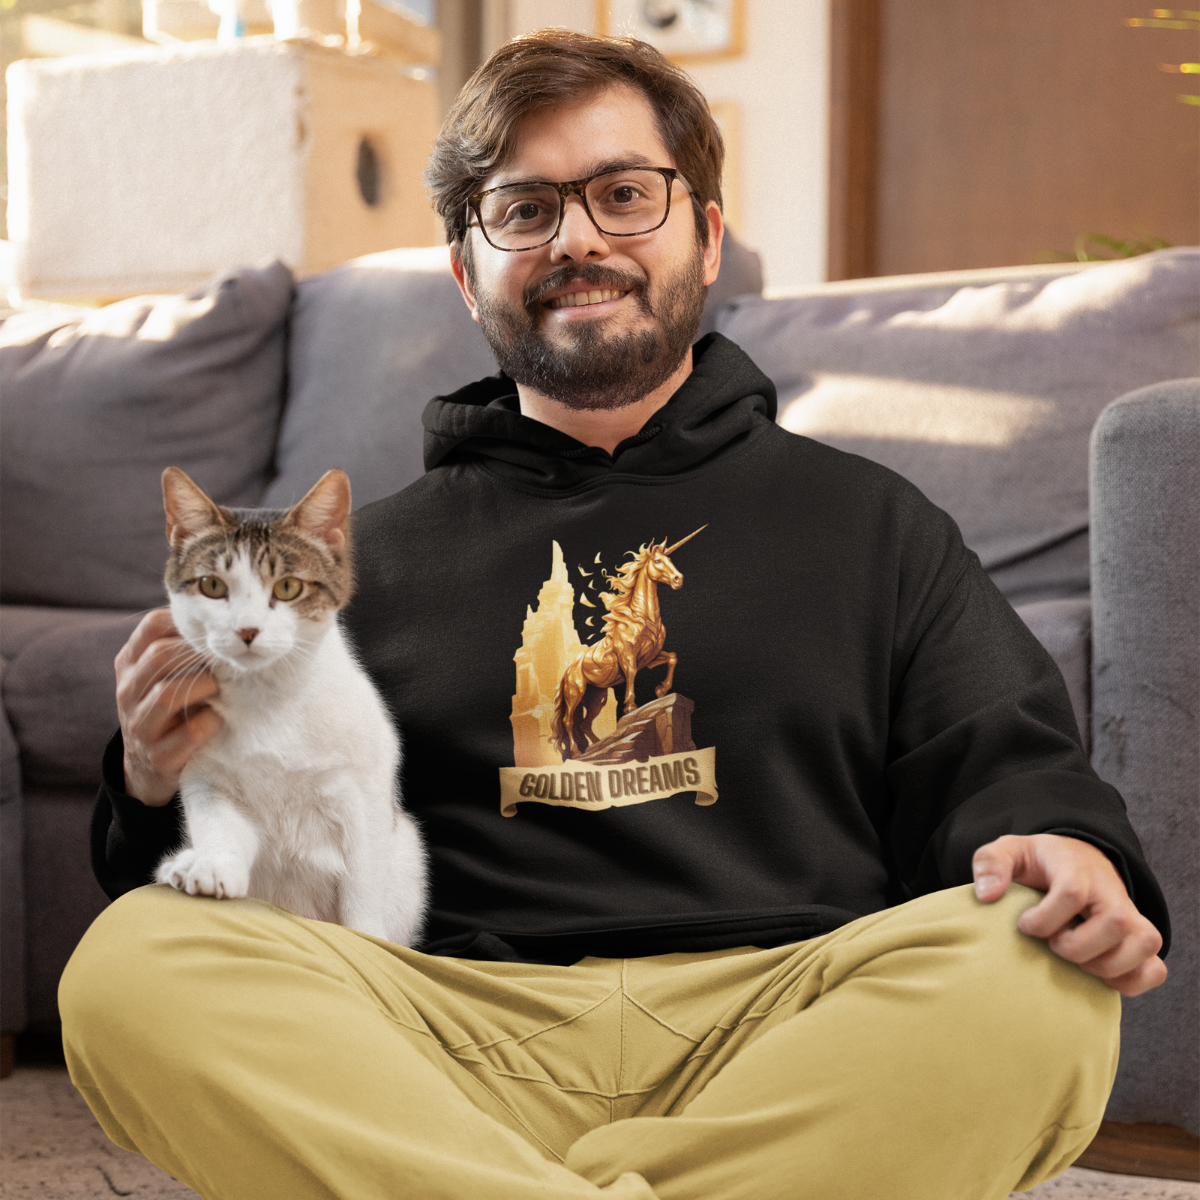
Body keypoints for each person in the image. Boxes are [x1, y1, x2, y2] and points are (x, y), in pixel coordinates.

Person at [61, 30, 1168, 1200]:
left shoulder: (871, 523)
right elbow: (221, 847)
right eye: (524, 209)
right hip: (449, 1041)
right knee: (135, 969)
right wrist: (145, 779)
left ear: (706, 229)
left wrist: (1066, 842)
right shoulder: (339, 572)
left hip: (790, 1021)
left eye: (624, 195)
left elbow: (1005, 758)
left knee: (1033, 973)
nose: (577, 237)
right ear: (463, 268)